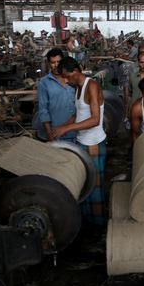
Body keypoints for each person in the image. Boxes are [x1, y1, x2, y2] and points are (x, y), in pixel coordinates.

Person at [52, 57, 107, 225]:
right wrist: (61, 127)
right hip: (82, 141)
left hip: (94, 143)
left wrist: (67, 129)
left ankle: (99, 226)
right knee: (84, 183)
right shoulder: (78, 88)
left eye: (67, 77)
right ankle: (87, 220)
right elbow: (79, 115)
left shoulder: (92, 86)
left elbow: (95, 120)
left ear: (76, 72)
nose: (66, 81)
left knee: (95, 186)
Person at [37, 48, 77, 142]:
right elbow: (43, 110)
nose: (56, 65)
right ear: (48, 64)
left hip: (78, 132)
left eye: (58, 62)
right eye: (52, 62)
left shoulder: (73, 79)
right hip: (58, 135)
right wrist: (49, 133)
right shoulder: (44, 83)